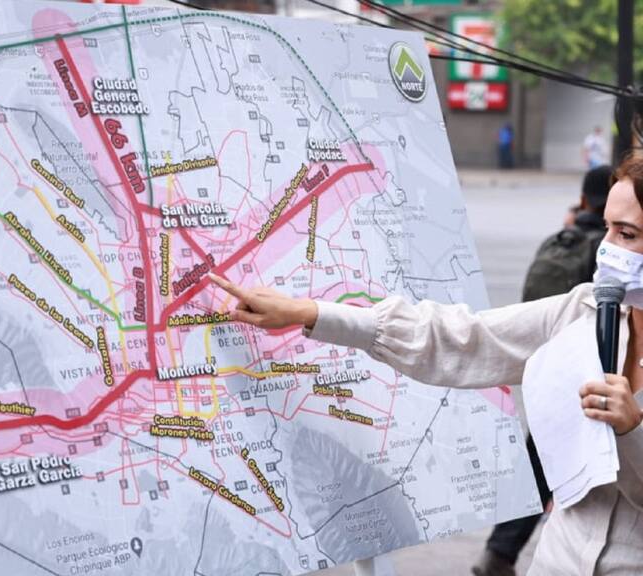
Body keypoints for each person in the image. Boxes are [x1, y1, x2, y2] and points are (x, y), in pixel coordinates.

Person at [209, 154, 643, 575]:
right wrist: (311, 313)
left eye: (626, 234)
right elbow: (460, 338)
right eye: (606, 228)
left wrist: (630, 430)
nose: (606, 250)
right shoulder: (583, 311)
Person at [471, 164, 613, 576]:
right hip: (591, 384)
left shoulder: (561, 239)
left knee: (539, 463)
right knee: (561, 470)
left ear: (583, 200)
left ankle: (499, 553)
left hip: (550, 372)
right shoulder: (604, 253)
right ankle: (504, 553)